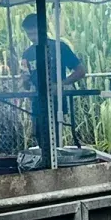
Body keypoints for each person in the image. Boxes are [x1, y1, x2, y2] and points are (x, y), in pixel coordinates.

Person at [22, 12, 86, 150]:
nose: (32, 38)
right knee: (39, 135)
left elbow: (80, 71)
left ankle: (55, 159)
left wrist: (60, 84)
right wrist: (25, 80)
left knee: (54, 136)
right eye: (29, 34)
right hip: (37, 102)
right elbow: (26, 85)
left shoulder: (59, 47)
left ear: (43, 29)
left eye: (34, 33)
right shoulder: (27, 53)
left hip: (56, 100)